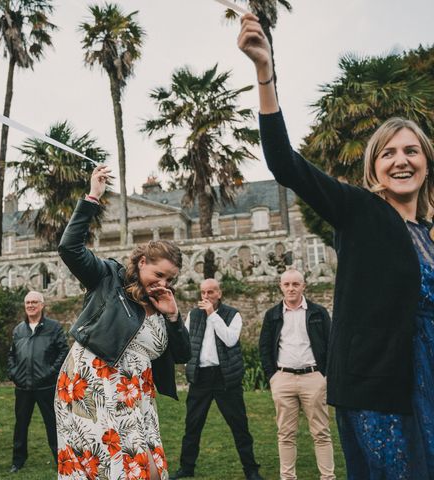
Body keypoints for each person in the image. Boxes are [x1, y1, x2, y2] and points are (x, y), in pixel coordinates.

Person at [239, 15, 434, 478]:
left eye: (411, 151)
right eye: (388, 152)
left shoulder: (428, 232)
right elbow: (285, 163)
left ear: (427, 161)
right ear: (374, 167)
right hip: (379, 387)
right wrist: (266, 73)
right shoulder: (360, 211)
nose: (401, 160)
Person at [55, 165, 191, 480]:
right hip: (93, 385)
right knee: (109, 471)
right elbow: (69, 248)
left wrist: (173, 316)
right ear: (142, 262)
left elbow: (182, 355)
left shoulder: (162, 305)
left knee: (150, 471)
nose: (163, 283)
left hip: (137, 394)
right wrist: (92, 197)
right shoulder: (108, 277)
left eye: (169, 279)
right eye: (158, 275)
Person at [171, 278, 263, 480]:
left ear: (219, 293)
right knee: (192, 426)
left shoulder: (232, 314)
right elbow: (188, 343)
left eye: (211, 292)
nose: (206, 296)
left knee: (240, 426)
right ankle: (186, 468)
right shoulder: (194, 315)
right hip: (201, 378)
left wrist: (212, 315)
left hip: (225, 378)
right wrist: (190, 366)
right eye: (203, 292)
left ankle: (251, 470)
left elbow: (230, 339)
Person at [259, 269, 334, 480]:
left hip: (314, 378)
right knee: (285, 435)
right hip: (283, 379)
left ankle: (328, 477)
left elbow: (331, 345)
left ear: (303, 286)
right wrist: (272, 377)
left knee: (321, 432)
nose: (291, 288)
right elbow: (264, 347)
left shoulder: (318, 312)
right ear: (281, 287)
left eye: (295, 284)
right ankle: (288, 477)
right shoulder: (272, 314)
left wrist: (324, 375)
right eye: (287, 284)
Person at [7, 290, 69, 474]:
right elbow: (12, 354)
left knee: (53, 424)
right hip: (23, 386)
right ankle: (18, 461)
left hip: (46, 386)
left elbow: (63, 352)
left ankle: (61, 461)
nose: (31, 305)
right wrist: (13, 373)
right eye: (28, 303)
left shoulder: (54, 327)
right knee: (21, 425)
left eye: (35, 302)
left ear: (42, 305)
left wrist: (50, 372)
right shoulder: (19, 330)